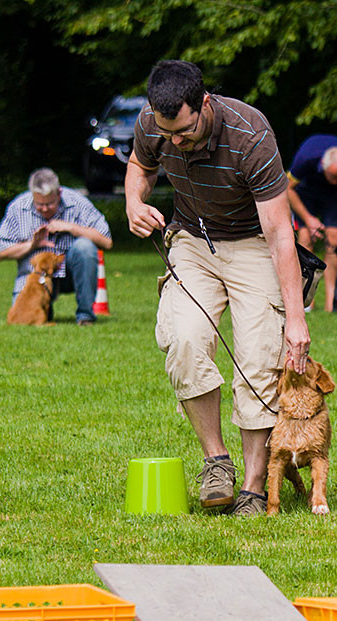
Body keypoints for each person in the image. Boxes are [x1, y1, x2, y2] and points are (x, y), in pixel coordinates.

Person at [125, 60, 310, 516]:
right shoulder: (154, 121)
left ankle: (253, 485)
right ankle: (216, 463)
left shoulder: (250, 134)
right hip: (192, 238)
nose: (176, 141)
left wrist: (297, 320)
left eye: (184, 131)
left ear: (204, 104)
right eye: (168, 133)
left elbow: (279, 233)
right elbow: (139, 166)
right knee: (184, 339)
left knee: (259, 355)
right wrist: (133, 202)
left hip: (252, 242)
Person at [0, 168, 113, 325]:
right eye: (39, 204)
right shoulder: (17, 208)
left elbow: (107, 241)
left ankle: (85, 316)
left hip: (70, 274)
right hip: (34, 281)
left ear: (59, 194)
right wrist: (32, 244)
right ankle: (46, 312)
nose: (44, 209)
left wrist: (70, 227)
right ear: (32, 196)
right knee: (22, 319)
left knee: (85, 247)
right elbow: (1, 252)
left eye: (49, 204)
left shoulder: (77, 203)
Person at [286, 134, 337, 312]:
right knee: (306, 239)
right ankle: (306, 300)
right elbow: (288, 189)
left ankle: (332, 301)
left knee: (335, 241)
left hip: (334, 197)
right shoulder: (306, 159)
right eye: (333, 176)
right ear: (323, 165)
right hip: (305, 192)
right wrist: (309, 219)